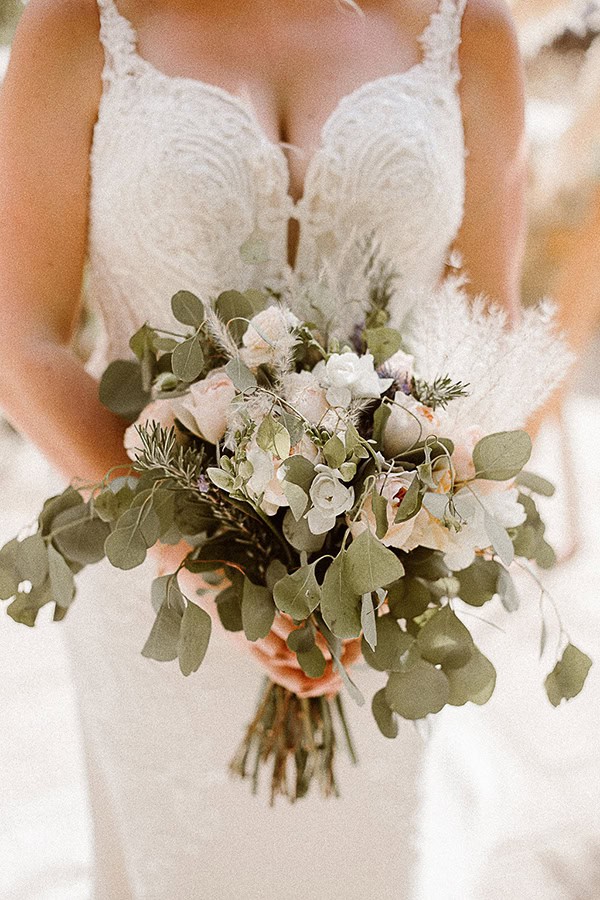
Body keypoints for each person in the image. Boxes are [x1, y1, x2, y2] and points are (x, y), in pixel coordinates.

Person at [0, 0, 526, 896]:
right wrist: (192, 548)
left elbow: (488, 323)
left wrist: (391, 528)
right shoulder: (79, 26)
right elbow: (22, 338)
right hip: (152, 580)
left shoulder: (471, 29)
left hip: (380, 595)